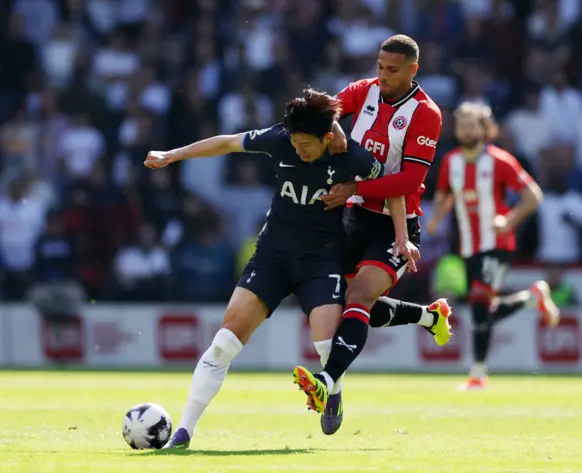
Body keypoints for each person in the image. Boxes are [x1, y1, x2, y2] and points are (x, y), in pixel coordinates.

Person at [143, 89, 441, 449]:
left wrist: (399, 237)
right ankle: (184, 431)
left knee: (328, 344)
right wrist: (172, 155)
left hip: (322, 260)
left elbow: (394, 190)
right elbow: (227, 142)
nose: (299, 149)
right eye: (296, 142)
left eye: (306, 144)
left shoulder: (352, 158)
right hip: (273, 255)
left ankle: (332, 386)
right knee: (224, 342)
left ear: (328, 137)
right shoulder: (280, 140)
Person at [292, 35, 452, 416]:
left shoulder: (425, 113)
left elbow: (410, 181)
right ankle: (430, 316)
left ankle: (328, 382)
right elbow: (320, 109)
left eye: (392, 70)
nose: (382, 76)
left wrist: (354, 186)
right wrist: (335, 124)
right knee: (334, 302)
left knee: (360, 296)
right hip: (351, 217)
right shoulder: (363, 91)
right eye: (379, 67)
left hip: (395, 225)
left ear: (413, 70)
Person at [377, 101, 560, 391]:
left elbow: (533, 196)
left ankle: (477, 374)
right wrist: (435, 219)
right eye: (461, 125)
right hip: (468, 247)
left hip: (498, 244)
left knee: (478, 303)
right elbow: (445, 194)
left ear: (485, 129)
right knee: (483, 307)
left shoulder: (500, 160)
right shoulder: (451, 161)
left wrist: (509, 221)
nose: (464, 130)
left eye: (471, 124)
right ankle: (531, 297)